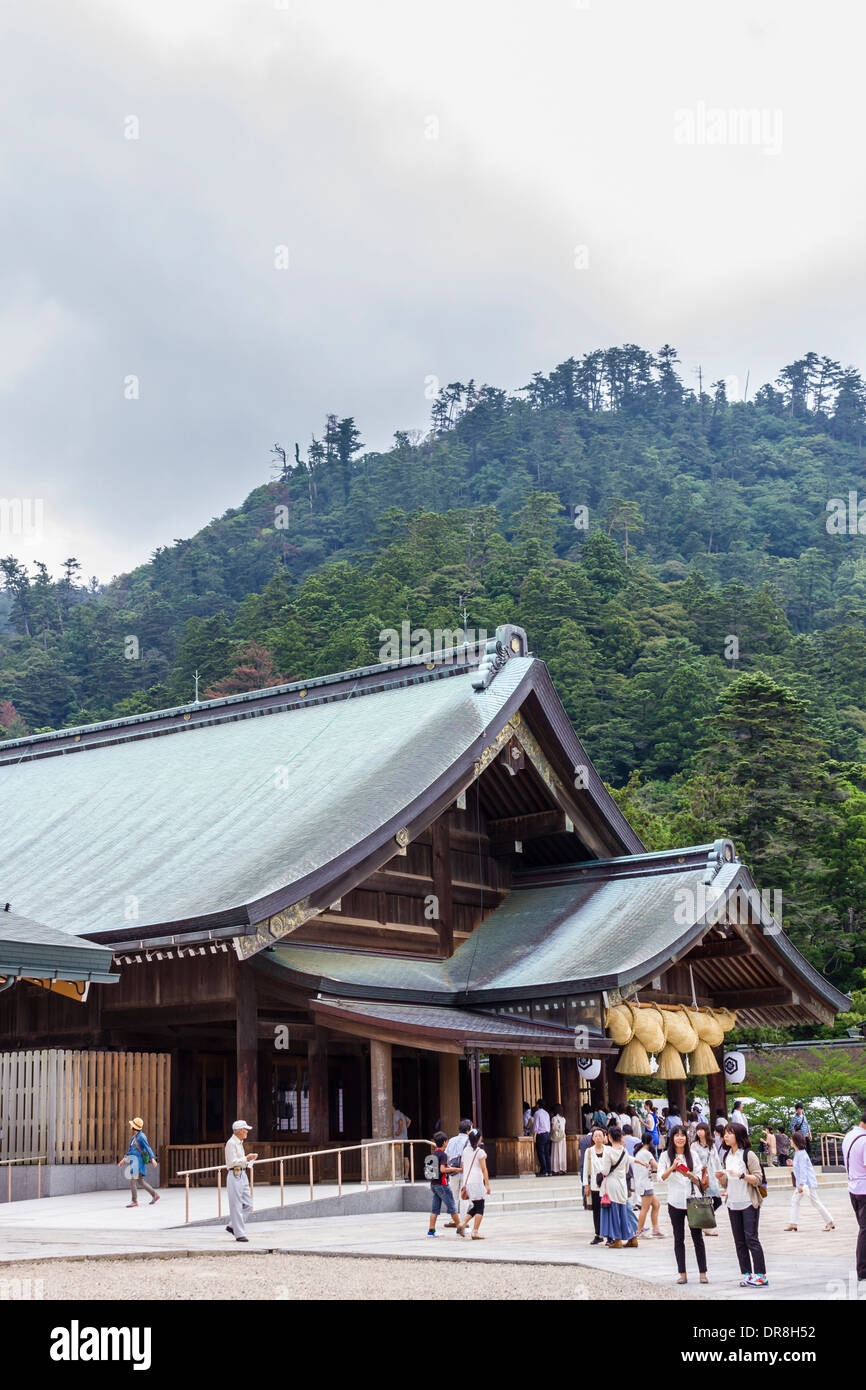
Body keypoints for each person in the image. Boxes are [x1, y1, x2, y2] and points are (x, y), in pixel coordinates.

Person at [715, 1122, 767, 1288]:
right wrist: (720, 1177)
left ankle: (761, 1275)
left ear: (738, 1135)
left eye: (729, 1133)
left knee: (751, 1238)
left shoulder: (748, 1155)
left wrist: (742, 1175)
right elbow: (726, 1184)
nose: (726, 1136)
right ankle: (746, 1273)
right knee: (739, 1241)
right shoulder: (726, 1156)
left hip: (748, 1202)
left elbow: (758, 1178)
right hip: (732, 1202)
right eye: (724, 1133)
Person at [659, 1124, 708, 1284]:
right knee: (678, 1238)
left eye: (683, 1135)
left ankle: (702, 1272)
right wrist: (673, 1167)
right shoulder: (665, 1156)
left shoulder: (692, 1154)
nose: (680, 1138)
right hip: (675, 1201)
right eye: (676, 1135)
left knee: (697, 1237)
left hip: (692, 1200)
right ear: (672, 1139)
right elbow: (660, 1177)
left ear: (686, 1138)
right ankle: (683, 1273)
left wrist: (688, 1174)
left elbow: (699, 1178)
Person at [784, 1131, 834, 1233]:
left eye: (791, 1139)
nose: (790, 1140)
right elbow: (801, 1168)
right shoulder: (799, 1153)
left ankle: (830, 1221)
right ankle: (793, 1223)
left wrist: (801, 1185)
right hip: (804, 1184)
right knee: (796, 1200)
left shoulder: (801, 1154)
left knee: (815, 1202)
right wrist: (792, 1163)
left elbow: (803, 1170)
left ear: (795, 1141)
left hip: (806, 1184)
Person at [598, 1125, 638, 1249]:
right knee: (623, 1213)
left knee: (614, 1213)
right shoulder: (624, 1151)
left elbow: (605, 1171)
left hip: (611, 1184)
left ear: (609, 1137)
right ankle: (631, 1237)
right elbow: (626, 1170)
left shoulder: (608, 1152)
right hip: (622, 1184)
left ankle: (617, 1239)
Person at [842, 1110, 866, 1287]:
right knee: (865, 1230)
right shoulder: (865, 1140)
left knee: (863, 1228)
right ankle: (863, 1270)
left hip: (853, 1188)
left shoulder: (849, 1135)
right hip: (864, 1189)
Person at [427, 1131, 465, 1237]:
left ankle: (431, 1231)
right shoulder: (443, 1155)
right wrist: (457, 1169)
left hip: (434, 1184)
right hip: (442, 1185)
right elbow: (442, 1169)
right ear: (445, 1142)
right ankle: (460, 1228)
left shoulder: (434, 1153)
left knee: (435, 1208)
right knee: (452, 1206)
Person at [225, 1119, 257, 1242]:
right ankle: (239, 1233)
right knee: (236, 1204)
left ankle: (233, 1225)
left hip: (242, 1173)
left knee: (248, 1204)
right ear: (239, 1130)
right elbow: (231, 1162)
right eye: (245, 1130)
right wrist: (246, 1158)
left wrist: (248, 1160)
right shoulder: (231, 1143)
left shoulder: (239, 1143)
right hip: (235, 1173)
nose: (246, 1132)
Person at [119, 1117, 159, 1208]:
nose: (130, 1126)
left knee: (132, 1180)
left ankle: (134, 1201)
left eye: (131, 1124)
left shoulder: (141, 1137)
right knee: (140, 1181)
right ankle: (155, 1195)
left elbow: (147, 1147)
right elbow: (130, 1150)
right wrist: (123, 1160)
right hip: (134, 1161)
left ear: (134, 1127)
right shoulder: (134, 1137)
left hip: (138, 1162)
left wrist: (152, 1158)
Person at [692, 1121, 721, 1235]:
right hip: (701, 1175)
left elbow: (716, 1159)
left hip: (711, 1176)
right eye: (698, 1130)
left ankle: (704, 1221)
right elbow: (693, 1161)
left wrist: (719, 1173)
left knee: (717, 1201)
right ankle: (707, 1226)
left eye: (701, 1129)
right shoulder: (694, 1145)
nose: (699, 1132)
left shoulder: (711, 1144)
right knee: (706, 1200)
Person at [460, 1128, 490, 1239]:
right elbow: (484, 1169)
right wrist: (487, 1185)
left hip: (467, 1182)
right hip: (477, 1181)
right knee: (480, 1206)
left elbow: (463, 1167)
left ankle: (462, 1223)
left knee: (476, 1206)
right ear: (479, 1139)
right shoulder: (480, 1152)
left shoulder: (465, 1151)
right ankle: (475, 1231)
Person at [633, 1133, 663, 1239]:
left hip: (645, 1184)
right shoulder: (646, 1153)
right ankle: (639, 1230)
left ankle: (656, 1229)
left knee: (656, 1205)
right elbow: (657, 1166)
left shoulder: (639, 1153)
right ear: (651, 1141)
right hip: (645, 1185)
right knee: (644, 1209)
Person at [582, 1126, 608, 1244]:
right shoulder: (589, 1151)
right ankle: (598, 1234)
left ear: (604, 1138)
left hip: (607, 1185)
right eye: (596, 1136)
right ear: (592, 1138)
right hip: (594, 1185)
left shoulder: (608, 1150)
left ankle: (609, 1234)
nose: (598, 1138)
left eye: (600, 1136)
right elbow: (585, 1169)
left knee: (607, 1209)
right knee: (596, 1210)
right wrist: (585, 1185)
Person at [444, 1119, 473, 1224]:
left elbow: (446, 1156)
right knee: (464, 1196)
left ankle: (453, 1219)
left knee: (454, 1196)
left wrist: (448, 1168)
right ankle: (463, 1220)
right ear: (468, 1130)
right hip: (464, 1171)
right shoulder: (470, 1141)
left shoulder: (451, 1140)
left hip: (453, 1171)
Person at [532, 1097, 552, 1177]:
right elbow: (548, 1125)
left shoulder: (537, 1113)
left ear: (538, 1105)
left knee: (541, 1153)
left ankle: (544, 1171)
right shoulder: (546, 1113)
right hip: (547, 1134)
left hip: (540, 1135)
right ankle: (549, 1170)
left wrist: (534, 1136)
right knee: (547, 1154)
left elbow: (536, 1126)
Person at [392, 1103, 412, 1179]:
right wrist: (405, 1129)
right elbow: (409, 1121)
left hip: (399, 1140)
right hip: (405, 1139)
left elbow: (400, 1122)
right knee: (406, 1157)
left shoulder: (396, 1114)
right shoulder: (401, 1113)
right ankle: (406, 1176)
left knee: (399, 1158)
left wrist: (398, 1131)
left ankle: (398, 1176)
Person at [550, 1103, 567, 1175]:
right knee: (562, 1152)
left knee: (556, 1152)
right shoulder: (563, 1119)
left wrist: (550, 1134)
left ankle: (556, 1169)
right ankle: (563, 1168)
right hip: (563, 1137)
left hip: (556, 1137)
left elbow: (553, 1128)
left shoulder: (554, 1118)